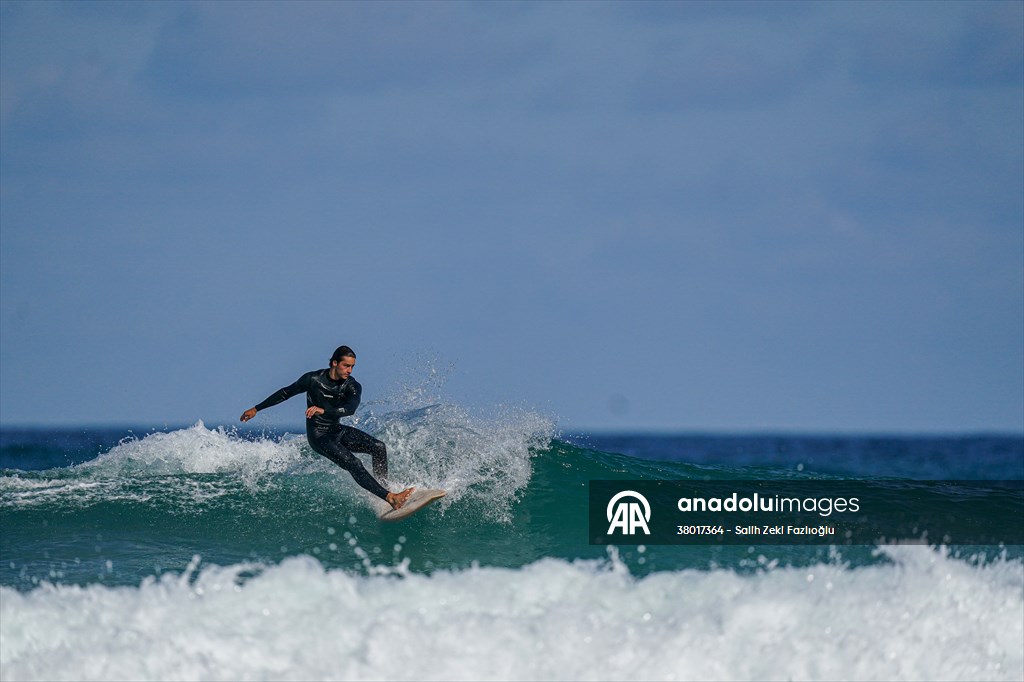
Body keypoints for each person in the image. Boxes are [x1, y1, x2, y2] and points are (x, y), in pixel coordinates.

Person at [240, 345, 413, 510]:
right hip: (319, 437)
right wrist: (256, 409)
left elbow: (350, 409)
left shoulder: (352, 386)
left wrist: (323, 410)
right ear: (334, 363)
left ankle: (384, 489)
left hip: (336, 430)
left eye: (352, 367)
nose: (349, 370)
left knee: (378, 447)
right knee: (354, 463)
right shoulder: (312, 379)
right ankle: (390, 498)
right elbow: (286, 392)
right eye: (346, 366)